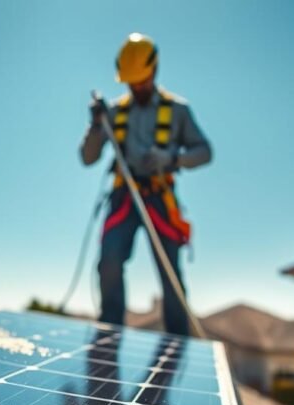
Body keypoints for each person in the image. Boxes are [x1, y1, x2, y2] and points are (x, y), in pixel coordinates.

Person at [80, 33, 212, 334]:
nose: (136, 86)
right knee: (109, 262)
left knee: (170, 275)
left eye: (141, 80)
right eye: (131, 82)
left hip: (159, 198)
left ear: (154, 71)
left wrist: (171, 158)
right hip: (123, 197)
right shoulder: (113, 112)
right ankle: (109, 336)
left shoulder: (177, 111)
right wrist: (96, 125)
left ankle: (177, 345)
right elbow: (88, 158)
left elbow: (205, 152)